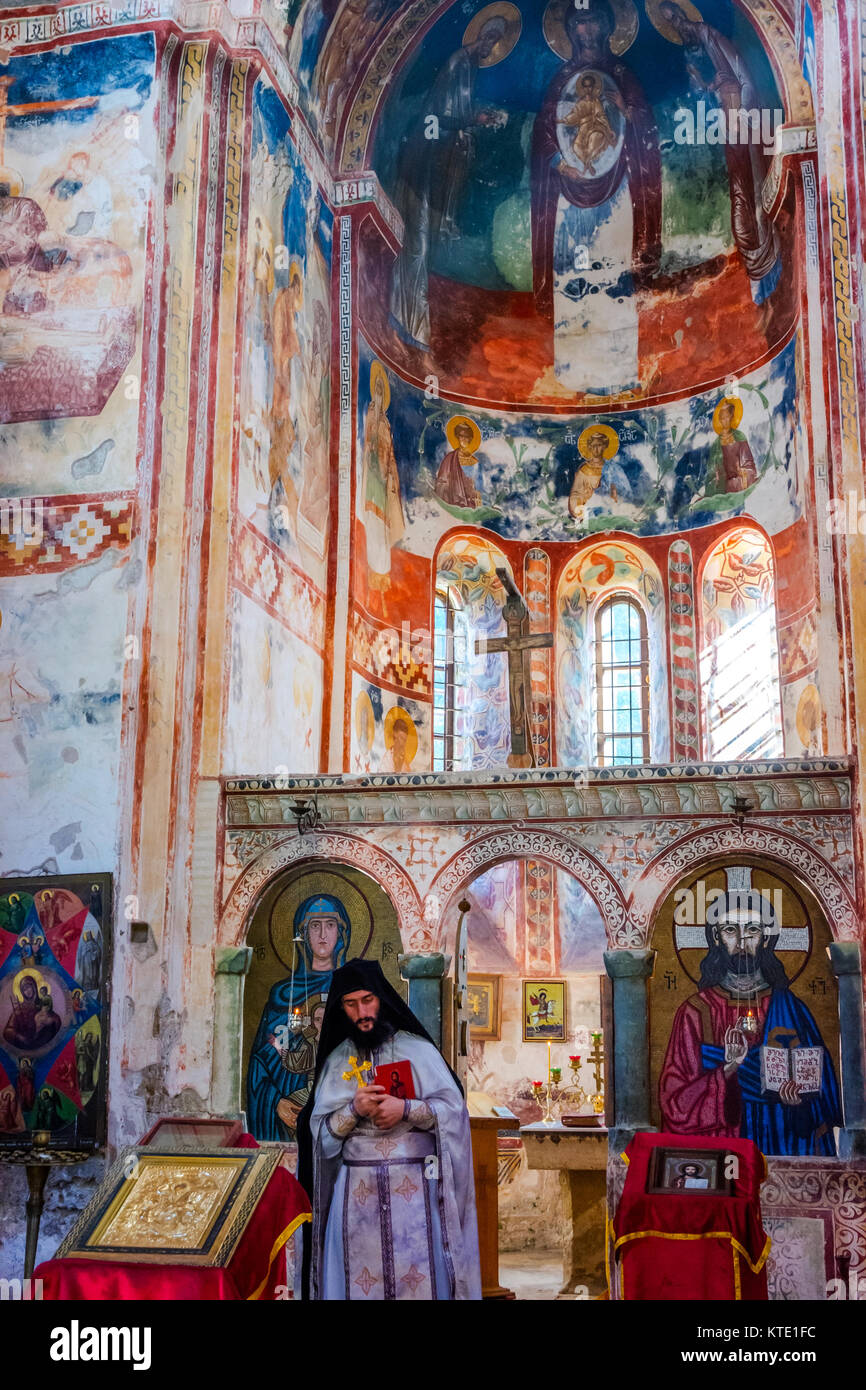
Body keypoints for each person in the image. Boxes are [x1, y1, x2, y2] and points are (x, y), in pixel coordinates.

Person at [297, 959, 481, 1300]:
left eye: (368, 1000)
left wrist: (406, 1108)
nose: (362, 1011)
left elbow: (454, 1113)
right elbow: (319, 1141)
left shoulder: (419, 1050)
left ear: (381, 998)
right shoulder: (338, 1060)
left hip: (414, 1196)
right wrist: (353, 1110)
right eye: (351, 1004)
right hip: (355, 1196)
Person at [659, 890, 841, 1155]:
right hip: (722, 1147)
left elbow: (825, 1097)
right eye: (731, 930)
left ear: (766, 937)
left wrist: (799, 1104)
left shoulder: (792, 1009)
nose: (742, 941)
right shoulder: (695, 1012)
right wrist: (728, 1069)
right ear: (716, 937)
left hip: (782, 1143)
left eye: (753, 929)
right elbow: (674, 1103)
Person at [658, 1, 780, 308]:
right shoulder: (694, 54)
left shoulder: (710, 37)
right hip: (729, 134)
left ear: (685, 13)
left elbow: (745, 77)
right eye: (669, 22)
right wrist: (703, 87)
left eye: (675, 16)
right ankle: (757, 277)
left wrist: (747, 117)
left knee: (754, 195)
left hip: (748, 129)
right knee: (740, 203)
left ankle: (770, 274)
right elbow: (706, 96)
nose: (676, 25)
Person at [246, 895, 350, 1140]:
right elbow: (261, 1063)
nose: (323, 934)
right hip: (293, 1108)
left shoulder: (353, 990)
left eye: (330, 924)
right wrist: (276, 1102)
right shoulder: (285, 994)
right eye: (314, 925)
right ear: (302, 933)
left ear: (342, 932)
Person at [709, 398, 758, 494]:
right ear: (719, 419)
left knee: (740, 482)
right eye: (722, 418)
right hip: (724, 484)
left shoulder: (739, 437)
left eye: (728, 417)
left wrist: (743, 471)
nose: (725, 421)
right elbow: (713, 469)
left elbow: (748, 463)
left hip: (740, 480)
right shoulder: (716, 444)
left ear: (731, 417)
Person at [434, 420, 482, 509]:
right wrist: (450, 487)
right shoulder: (450, 458)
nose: (463, 439)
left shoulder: (475, 463)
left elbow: (479, 487)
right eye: (461, 436)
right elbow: (441, 482)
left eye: (466, 436)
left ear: (470, 438)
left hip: (470, 505)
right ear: (457, 437)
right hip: (452, 501)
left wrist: (476, 494)